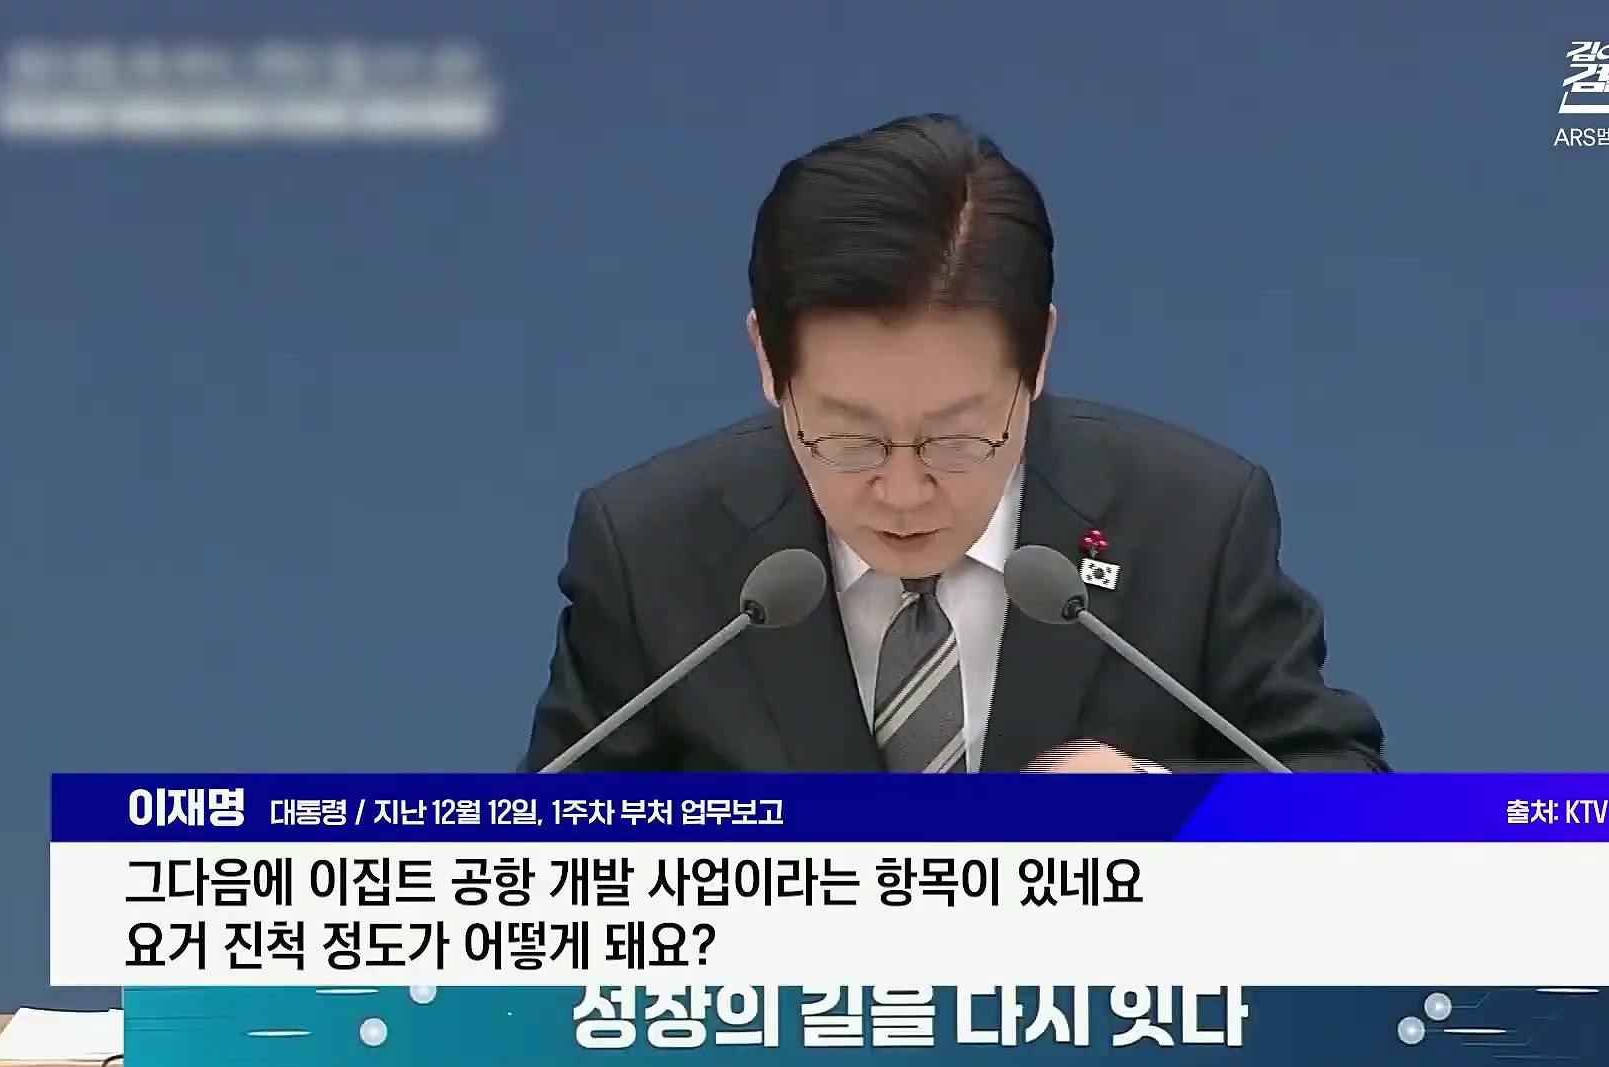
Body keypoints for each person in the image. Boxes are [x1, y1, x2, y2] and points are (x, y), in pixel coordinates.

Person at [521, 113, 1385, 774]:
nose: (903, 493)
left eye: (960, 438)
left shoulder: (1191, 521)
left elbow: (1352, 800)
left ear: (1038, 357)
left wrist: (1156, 802)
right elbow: (546, 849)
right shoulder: (648, 550)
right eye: (850, 439)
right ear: (766, 362)